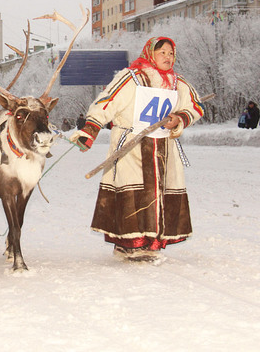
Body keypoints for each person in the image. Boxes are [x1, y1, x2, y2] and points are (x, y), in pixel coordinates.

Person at [70, 37, 205, 263]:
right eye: (162, 52)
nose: (167, 57)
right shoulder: (131, 77)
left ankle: (150, 242)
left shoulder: (177, 83)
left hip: (163, 147)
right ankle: (130, 243)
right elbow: (107, 102)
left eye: (171, 53)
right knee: (133, 192)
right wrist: (89, 130)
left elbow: (196, 106)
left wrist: (179, 118)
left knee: (158, 194)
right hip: (131, 145)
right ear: (150, 52)